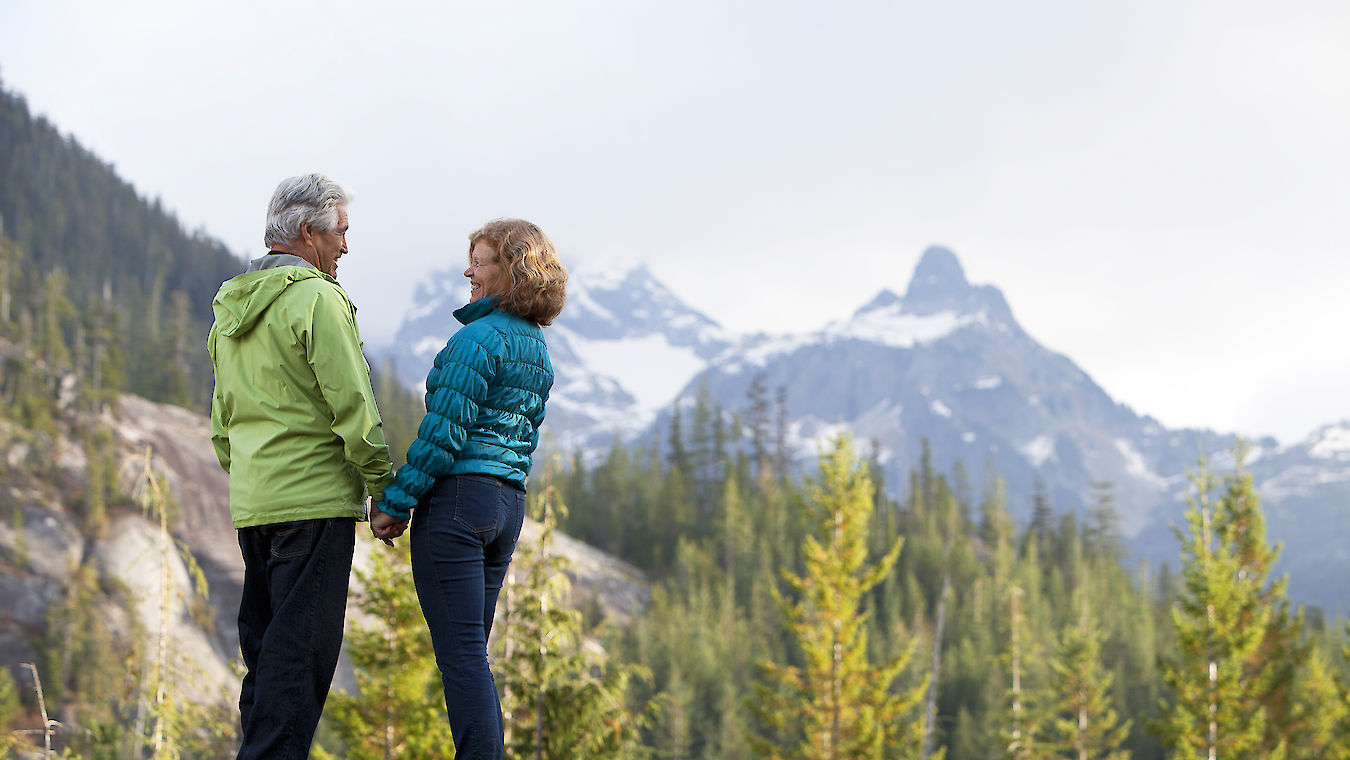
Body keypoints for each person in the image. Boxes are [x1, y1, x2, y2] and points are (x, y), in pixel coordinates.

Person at [208, 173, 395, 760]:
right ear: (308, 233)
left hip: (255, 507)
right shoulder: (316, 298)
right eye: (340, 232)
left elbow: (222, 428)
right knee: (299, 664)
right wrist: (383, 485)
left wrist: (256, 478)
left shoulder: (231, 308)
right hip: (313, 507)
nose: (346, 245)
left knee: (265, 662)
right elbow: (353, 406)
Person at [371, 218, 567, 759]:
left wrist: (395, 502)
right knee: (472, 655)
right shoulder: (537, 346)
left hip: (458, 504)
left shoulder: (475, 339)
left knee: (461, 658)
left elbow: (442, 435)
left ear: (511, 270)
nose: (468, 270)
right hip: (507, 506)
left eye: (479, 261)